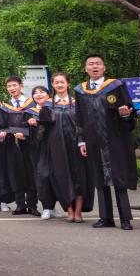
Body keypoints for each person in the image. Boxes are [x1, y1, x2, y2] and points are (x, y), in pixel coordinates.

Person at [75, 54, 137, 230]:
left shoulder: (116, 86)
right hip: (93, 140)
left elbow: (130, 111)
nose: (94, 66)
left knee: (119, 178)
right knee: (99, 179)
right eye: (91, 64)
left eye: (98, 63)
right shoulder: (80, 90)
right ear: (86, 68)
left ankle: (125, 219)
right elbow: (79, 118)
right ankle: (105, 218)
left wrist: (126, 114)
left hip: (114, 139)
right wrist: (81, 141)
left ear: (104, 68)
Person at [35, 73, 93, 222]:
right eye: (56, 83)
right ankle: (69, 210)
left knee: (79, 177)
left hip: (76, 145)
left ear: (68, 83)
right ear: (52, 85)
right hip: (56, 147)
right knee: (61, 177)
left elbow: (83, 125)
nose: (59, 85)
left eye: (62, 82)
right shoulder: (47, 105)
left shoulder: (77, 103)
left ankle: (78, 211)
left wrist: (83, 141)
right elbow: (42, 129)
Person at [0, 76, 39, 215]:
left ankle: (32, 205)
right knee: (15, 174)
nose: (12, 88)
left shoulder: (31, 104)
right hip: (12, 146)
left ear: (21, 86)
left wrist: (25, 135)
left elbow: (37, 126)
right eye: (9, 86)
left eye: (14, 85)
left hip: (29, 145)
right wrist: (1, 134)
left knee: (31, 173)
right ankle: (20, 205)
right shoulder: (5, 107)